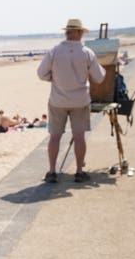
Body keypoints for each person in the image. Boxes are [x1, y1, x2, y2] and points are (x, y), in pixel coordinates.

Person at [37, 18, 105, 183]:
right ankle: (79, 171)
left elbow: (41, 74)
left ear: (67, 33)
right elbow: (99, 77)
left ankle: (52, 171)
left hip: (58, 100)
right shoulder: (87, 52)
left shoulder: (54, 51)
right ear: (80, 33)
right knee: (79, 136)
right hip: (80, 100)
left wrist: (54, 78)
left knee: (55, 136)